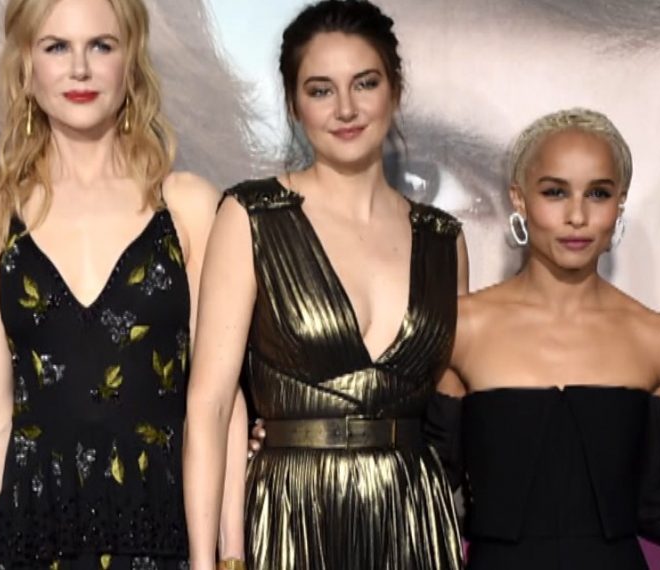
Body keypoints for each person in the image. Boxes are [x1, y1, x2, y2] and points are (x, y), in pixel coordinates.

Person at [0, 0, 245, 568]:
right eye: (56, 47)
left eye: (101, 46)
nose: (80, 69)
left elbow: (219, 403)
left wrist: (228, 553)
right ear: (26, 65)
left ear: (131, 60)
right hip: (32, 541)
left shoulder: (188, 208)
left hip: (165, 541)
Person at [183, 1, 468, 569]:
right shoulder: (252, 216)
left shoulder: (444, 240)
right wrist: (205, 560)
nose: (346, 109)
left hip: (412, 520)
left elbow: (453, 408)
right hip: (291, 515)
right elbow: (209, 406)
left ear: (395, 90)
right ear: (293, 104)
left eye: (365, 83)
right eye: (320, 90)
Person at [447, 109, 660, 568]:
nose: (577, 216)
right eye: (555, 192)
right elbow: (424, 487)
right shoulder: (463, 328)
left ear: (619, 204)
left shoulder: (657, 339)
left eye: (598, 193)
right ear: (520, 199)